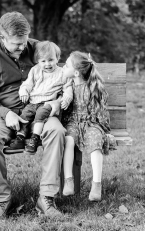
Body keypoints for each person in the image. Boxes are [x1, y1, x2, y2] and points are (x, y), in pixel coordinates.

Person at [0, 11, 66, 218]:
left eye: (24, 42)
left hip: (40, 110)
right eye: (16, 44)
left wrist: (56, 101)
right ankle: (2, 199)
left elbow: (59, 75)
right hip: (3, 112)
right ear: (2, 38)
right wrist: (5, 113)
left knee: (57, 132)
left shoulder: (37, 48)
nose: (22, 47)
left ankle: (46, 198)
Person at [61, 51, 113, 199]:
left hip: (92, 123)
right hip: (72, 123)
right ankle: (68, 180)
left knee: (95, 140)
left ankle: (97, 185)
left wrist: (105, 130)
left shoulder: (93, 87)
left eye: (66, 65)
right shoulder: (67, 86)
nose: (63, 68)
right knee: (68, 140)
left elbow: (101, 111)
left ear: (76, 73)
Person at [9, 41, 73, 154]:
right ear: (38, 61)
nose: (47, 64)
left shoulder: (62, 73)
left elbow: (68, 87)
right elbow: (28, 83)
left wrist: (67, 98)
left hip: (48, 103)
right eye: (43, 61)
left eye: (51, 60)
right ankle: (20, 137)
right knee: (24, 115)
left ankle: (34, 138)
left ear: (57, 58)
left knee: (40, 115)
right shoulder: (35, 70)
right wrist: (24, 91)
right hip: (33, 102)